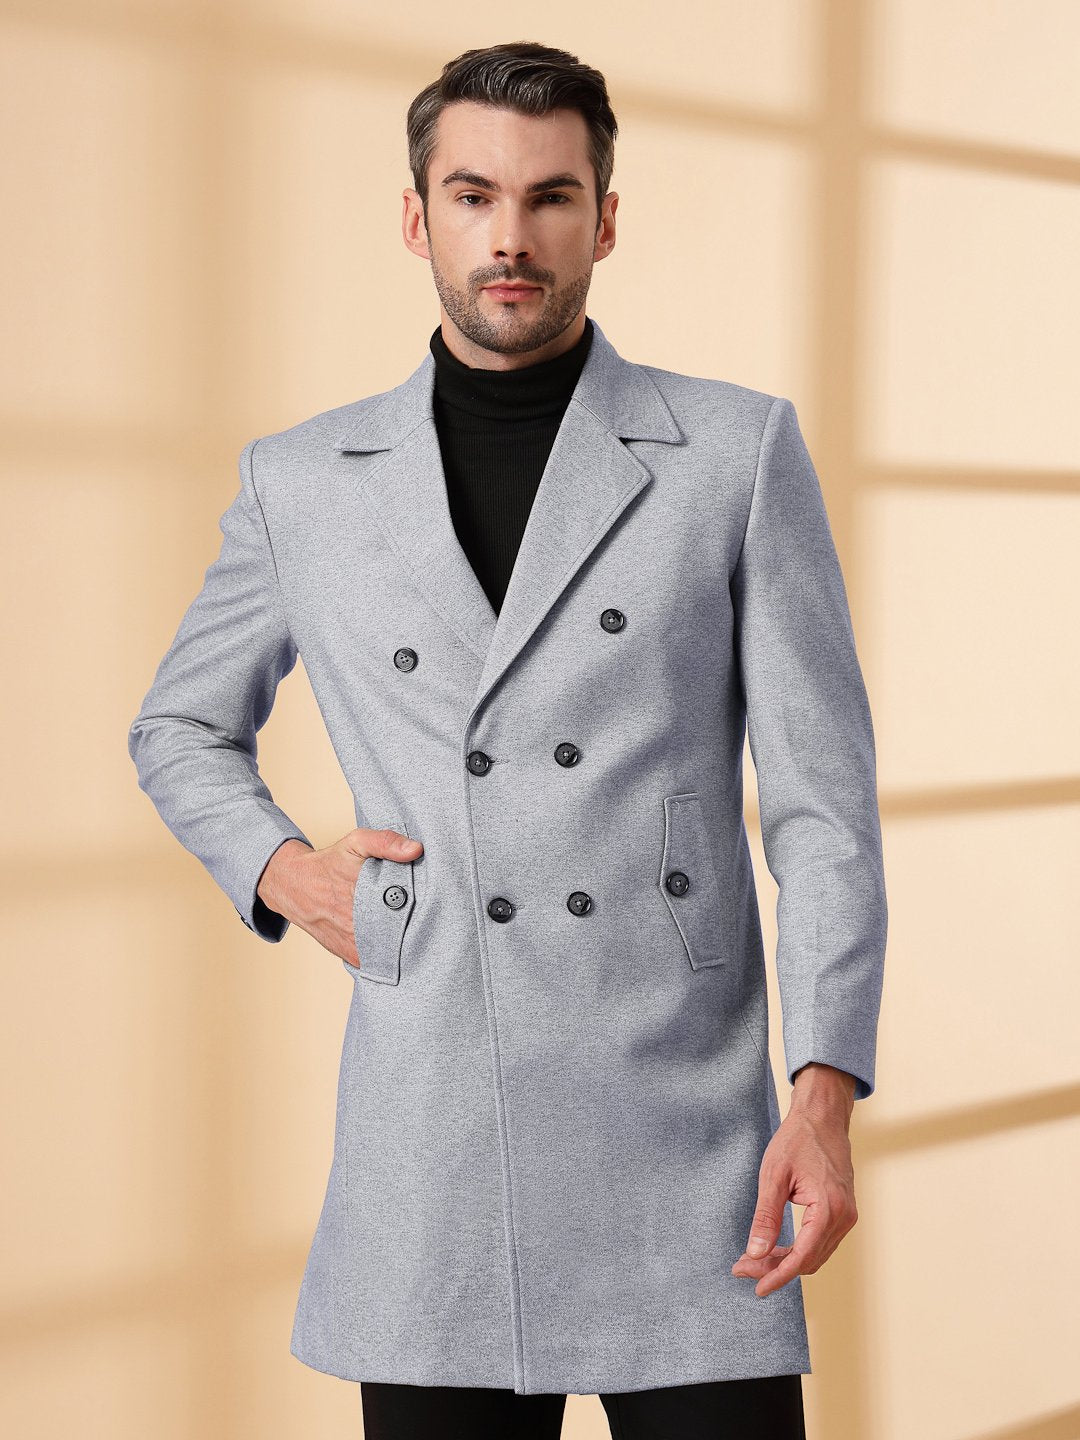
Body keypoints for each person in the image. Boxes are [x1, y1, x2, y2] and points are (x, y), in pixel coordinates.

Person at [128, 40, 887, 1440]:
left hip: (687, 1118)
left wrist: (825, 1092)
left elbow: (822, 807)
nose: (511, 237)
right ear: (417, 218)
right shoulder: (304, 481)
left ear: (605, 218)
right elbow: (179, 724)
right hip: (435, 1122)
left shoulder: (732, 454)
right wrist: (287, 875)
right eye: (473, 196)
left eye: (550, 196)